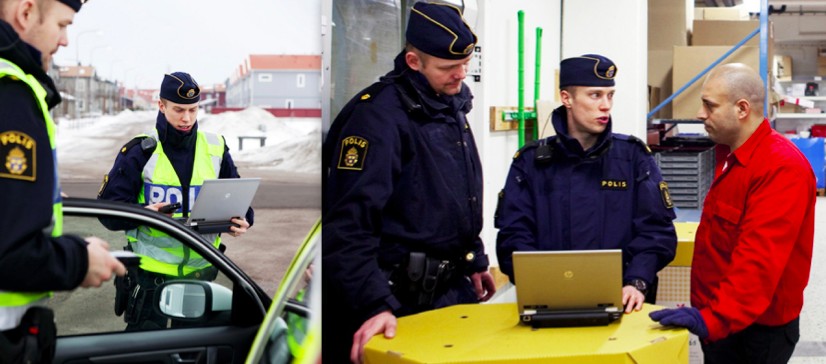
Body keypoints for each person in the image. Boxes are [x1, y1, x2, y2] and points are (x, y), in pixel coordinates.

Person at [321, 2, 496, 363]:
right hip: (395, 301)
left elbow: (454, 199)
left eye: (465, 63)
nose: (461, 74)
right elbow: (348, 227)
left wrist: (473, 260)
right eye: (448, 67)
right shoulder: (377, 118)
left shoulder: (448, 104)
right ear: (414, 62)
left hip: (447, 291)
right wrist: (373, 305)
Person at [649, 63, 816, 364]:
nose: (701, 114)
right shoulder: (733, 156)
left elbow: (758, 262)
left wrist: (713, 320)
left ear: (742, 109)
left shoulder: (779, 169)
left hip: (755, 334)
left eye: (709, 105)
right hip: (724, 322)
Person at [495, 54, 678, 313]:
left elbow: (656, 233)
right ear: (567, 98)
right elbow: (514, 236)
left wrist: (637, 281)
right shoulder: (532, 163)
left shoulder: (633, 157)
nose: (606, 105)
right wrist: (538, 284)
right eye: (595, 95)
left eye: (610, 95)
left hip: (623, 302)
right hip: (550, 303)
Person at [0, 0, 127, 361]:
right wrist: (81, 260)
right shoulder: (10, 91)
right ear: (26, 13)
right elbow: (10, 253)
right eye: (61, 24)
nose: (66, 40)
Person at [97, 71, 254, 330]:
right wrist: (144, 213)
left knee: (193, 355)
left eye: (193, 110)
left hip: (200, 278)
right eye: (178, 109)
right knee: (146, 355)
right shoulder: (140, 150)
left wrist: (243, 219)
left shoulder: (216, 148)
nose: (186, 118)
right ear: (161, 105)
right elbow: (107, 213)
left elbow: (239, 201)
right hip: (150, 281)